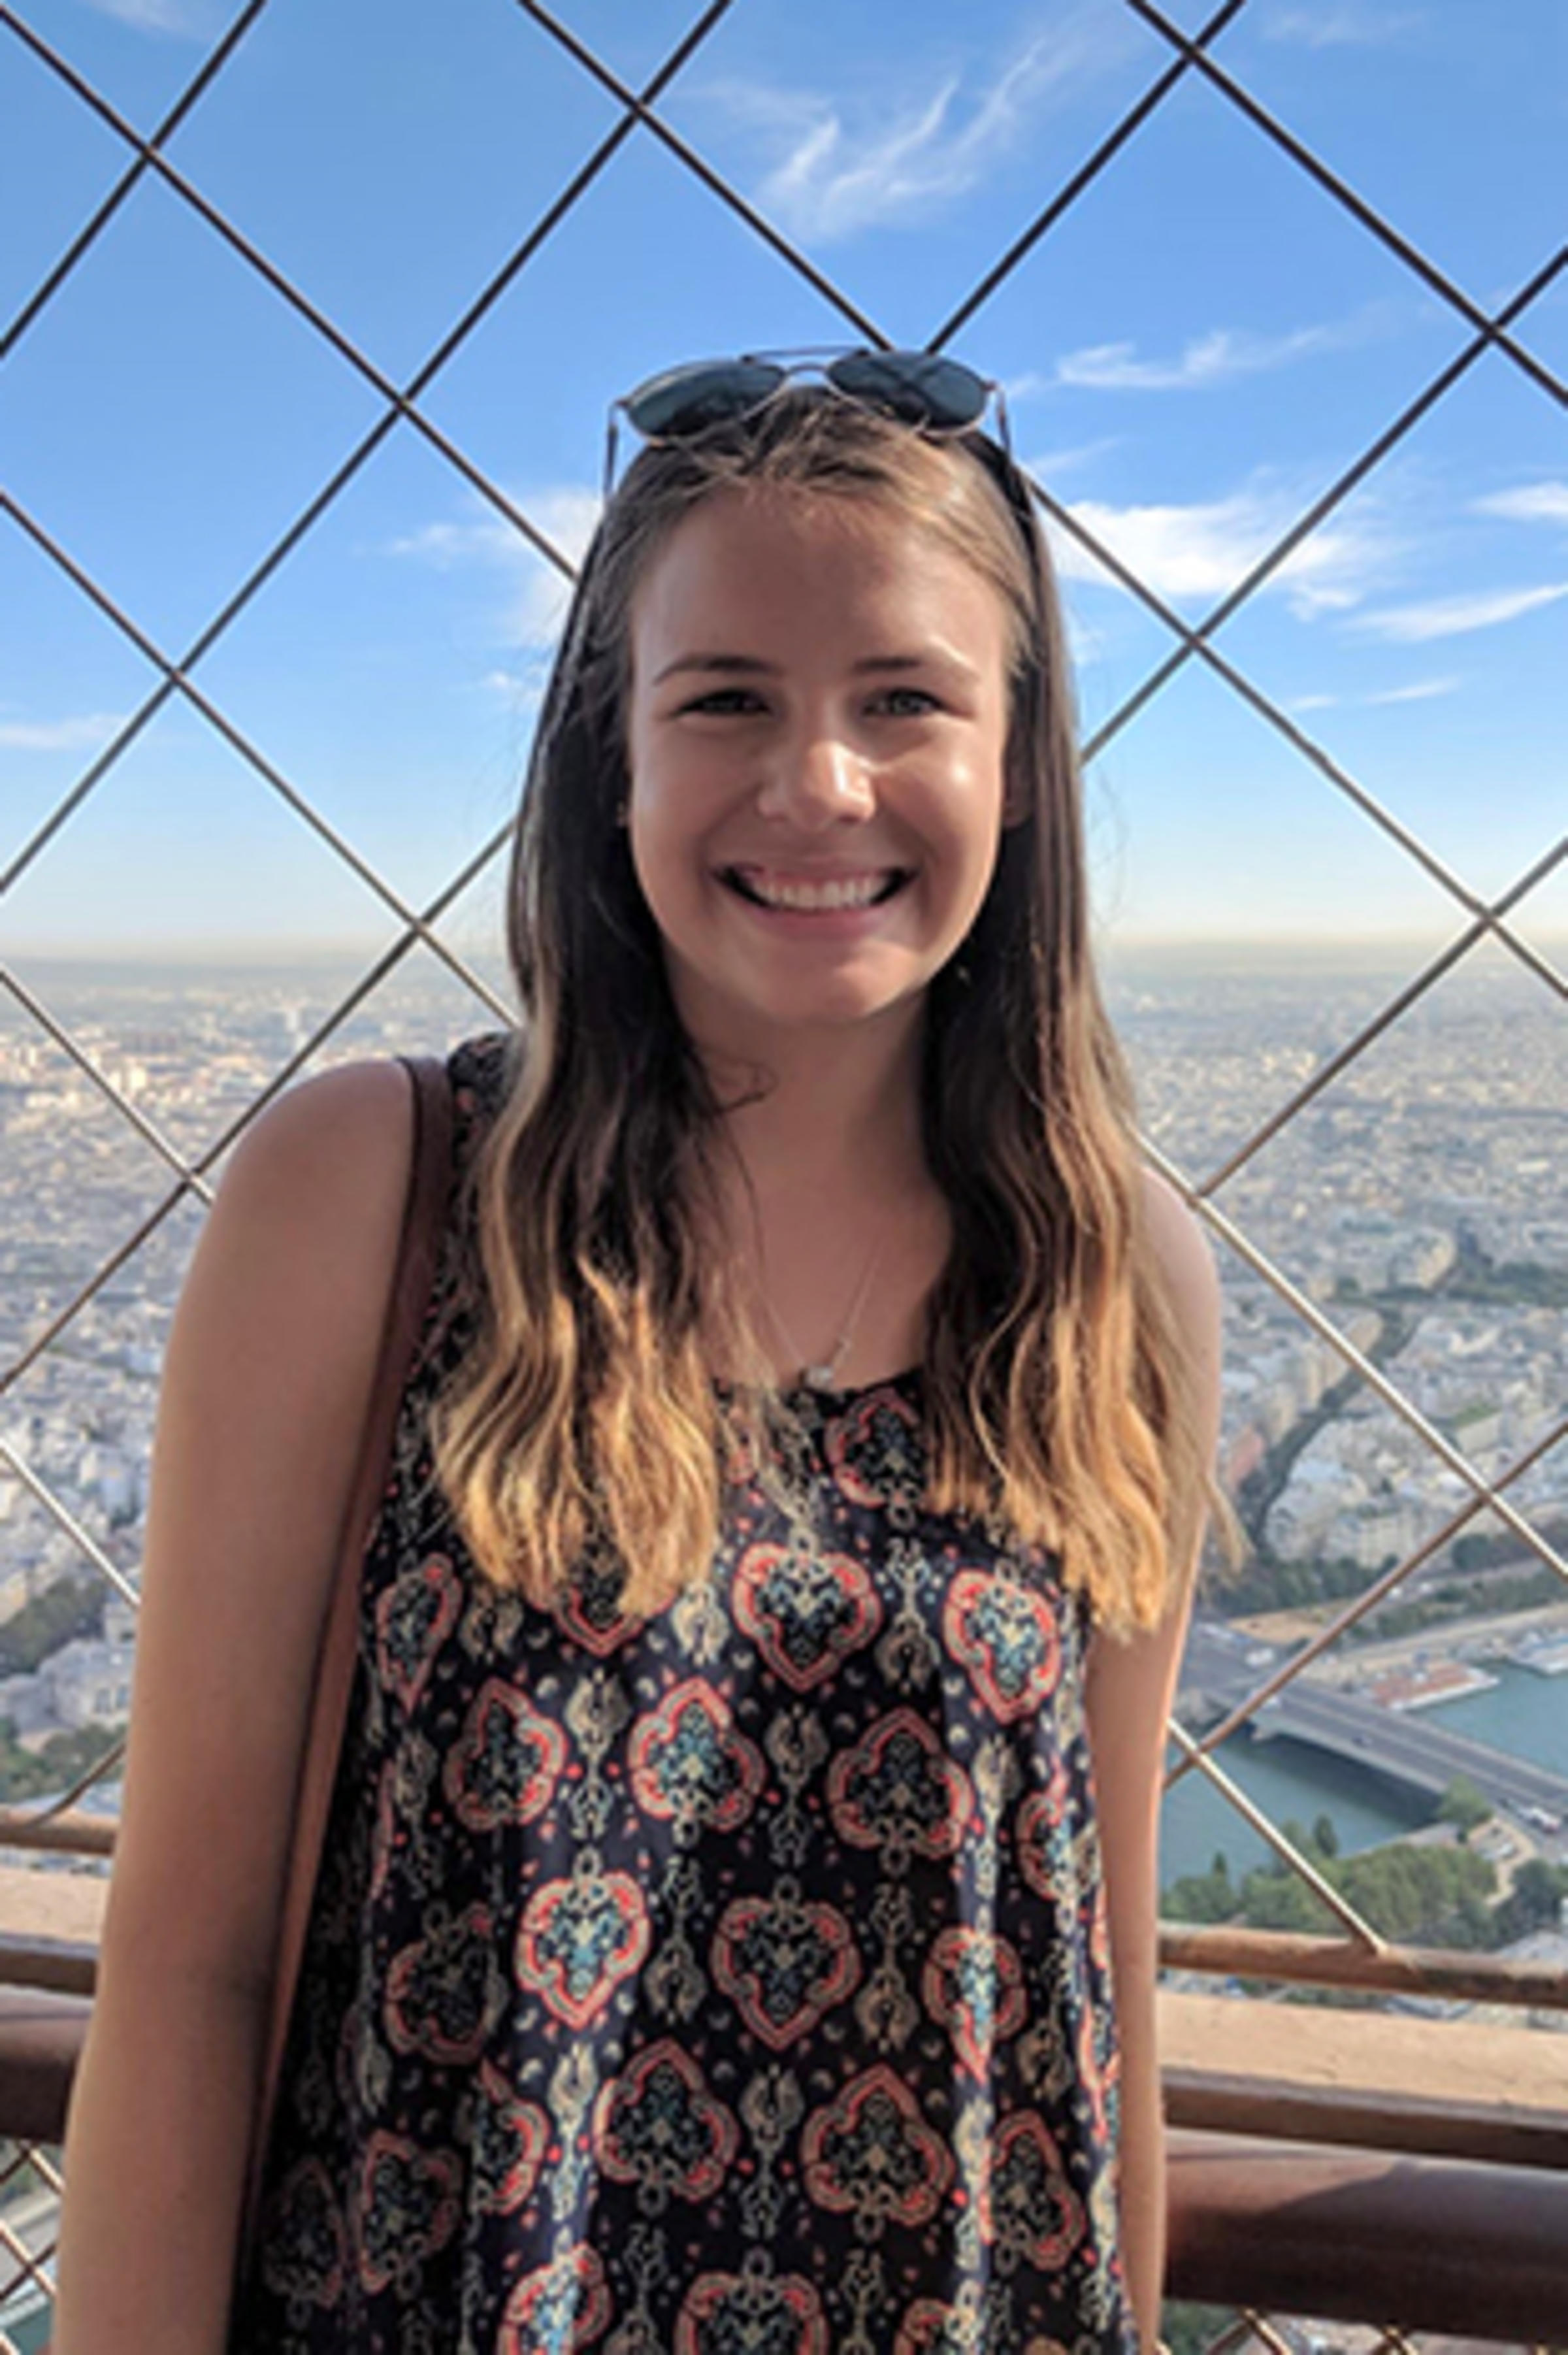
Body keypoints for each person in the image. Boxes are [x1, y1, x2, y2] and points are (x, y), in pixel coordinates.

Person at [54, 354, 1220, 2354]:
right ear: (615, 760)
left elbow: (1095, 1985)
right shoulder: (375, 1195)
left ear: (1020, 761)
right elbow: (188, 1964)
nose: (821, 782)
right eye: (728, 700)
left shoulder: (1115, 1280)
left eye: (906, 699)